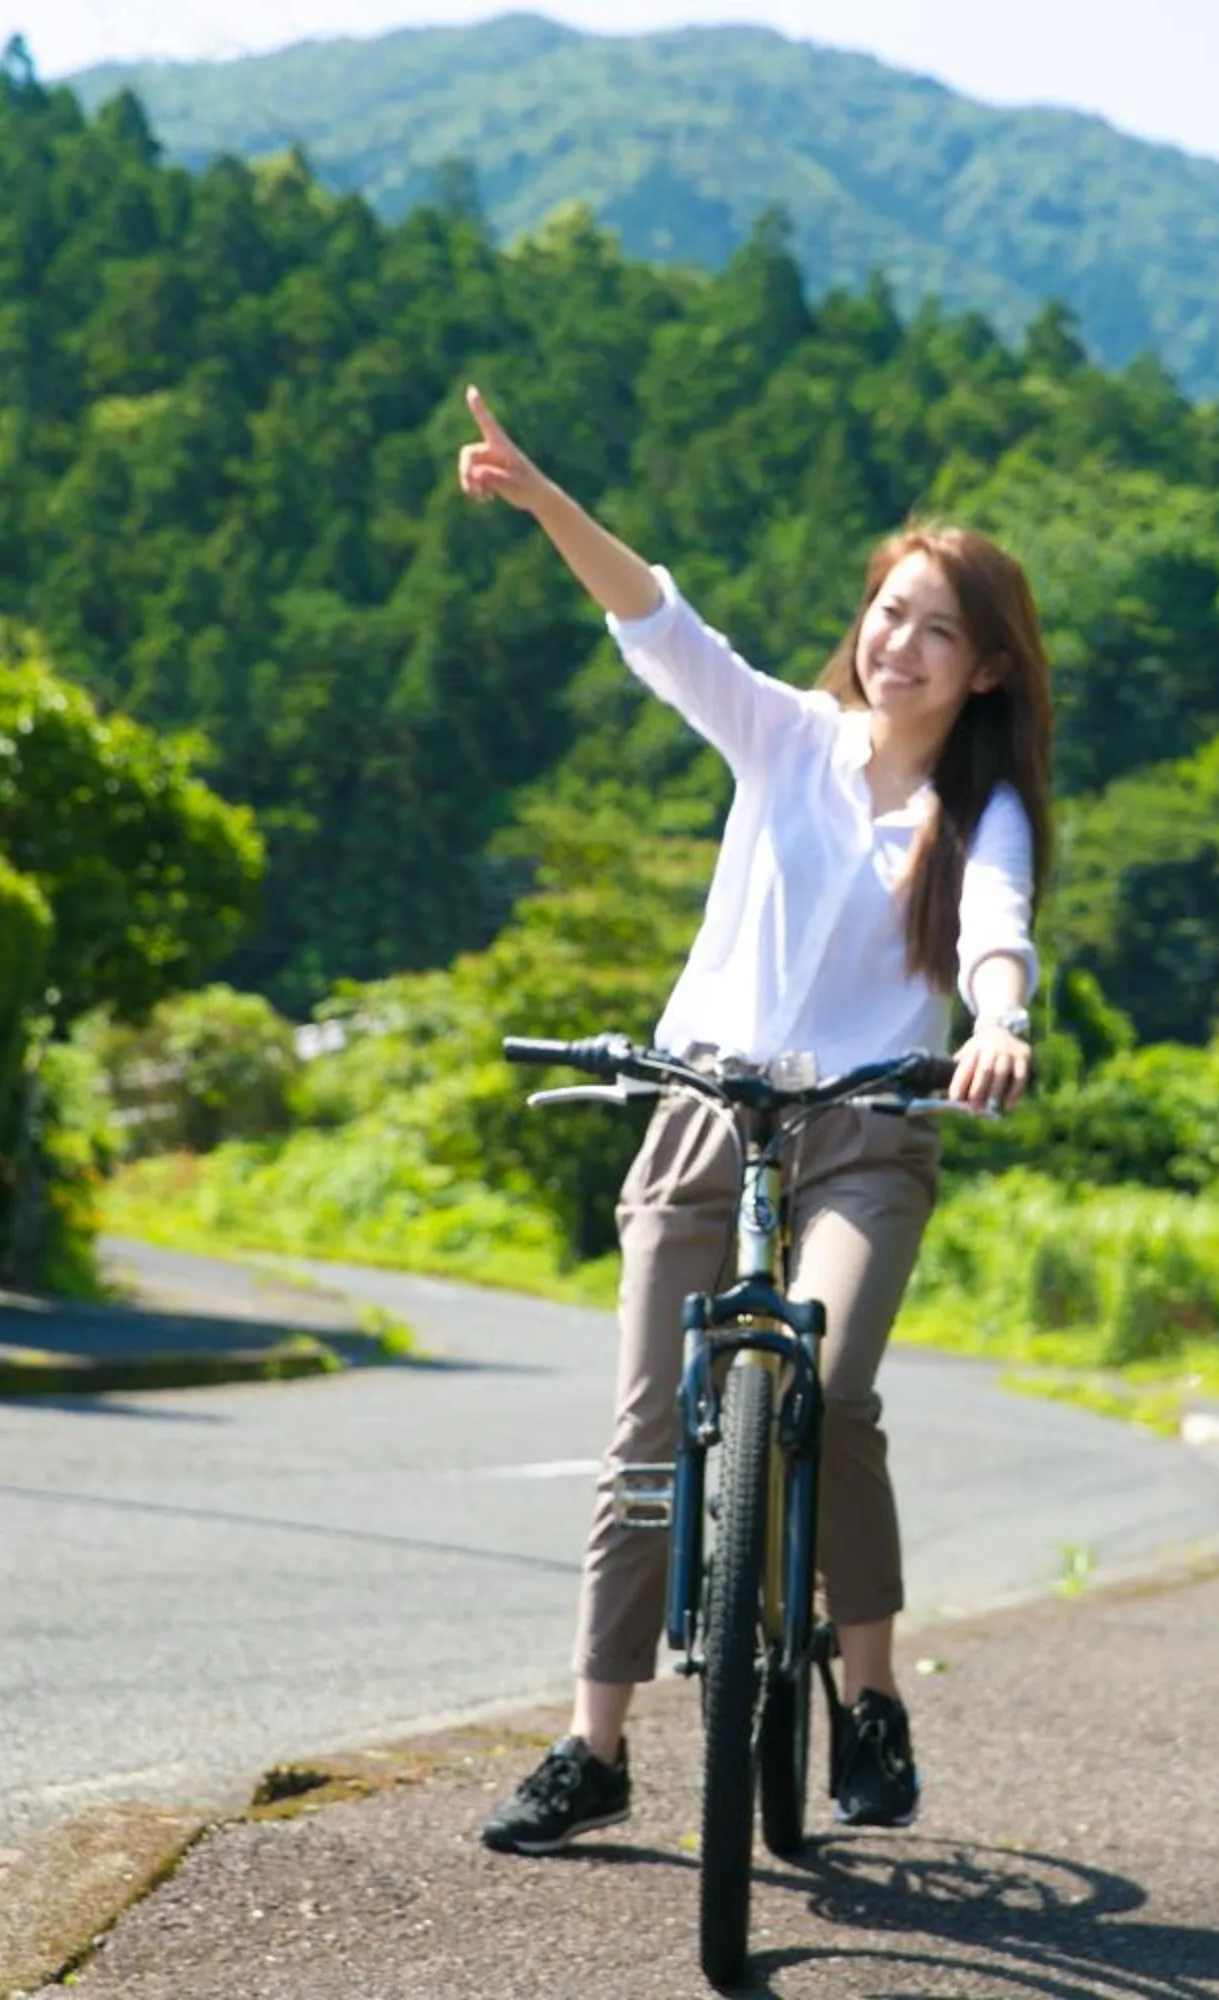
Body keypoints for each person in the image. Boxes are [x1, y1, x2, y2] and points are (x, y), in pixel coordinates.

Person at [451, 386, 1056, 1854]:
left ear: (982, 672)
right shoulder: (781, 736)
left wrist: (999, 1021)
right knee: (646, 1437)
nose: (896, 645)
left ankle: (869, 1699)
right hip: (704, 1107)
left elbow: (997, 926)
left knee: (832, 1393)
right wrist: (544, 502)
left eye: (935, 631)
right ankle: (594, 1746)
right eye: (887, 614)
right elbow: (659, 615)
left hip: (867, 1133)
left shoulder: (978, 820)